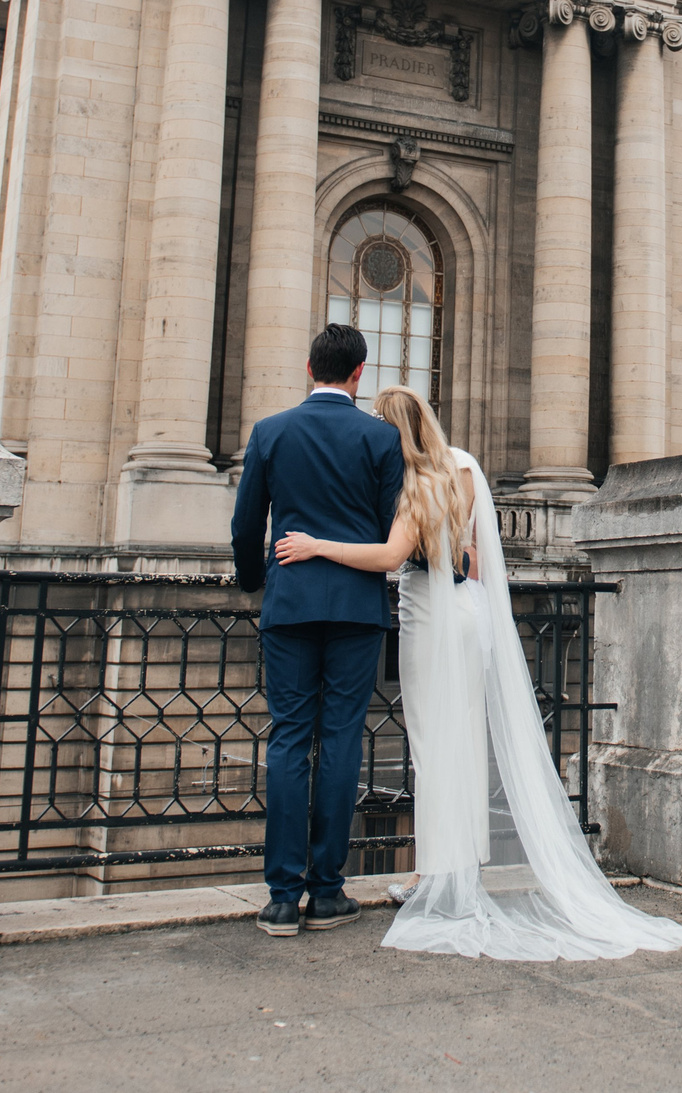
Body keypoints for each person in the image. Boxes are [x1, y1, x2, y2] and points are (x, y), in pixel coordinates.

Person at [276, 386, 682, 962]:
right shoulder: (464, 469)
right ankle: (463, 866)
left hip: (430, 615)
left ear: (394, 432)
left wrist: (316, 545)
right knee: (466, 741)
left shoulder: (414, 483)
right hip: (471, 614)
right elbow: (470, 555)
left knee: (430, 748)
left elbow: (391, 557)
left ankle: (435, 880)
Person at [231, 323, 405, 938]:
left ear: (309, 369)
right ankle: (327, 892)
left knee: (286, 741)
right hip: (358, 607)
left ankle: (281, 898)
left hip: (290, 602)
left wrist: (257, 581)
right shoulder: (382, 439)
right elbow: (391, 530)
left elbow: (246, 523)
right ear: (360, 373)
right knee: (340, 741)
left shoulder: (270, 432)